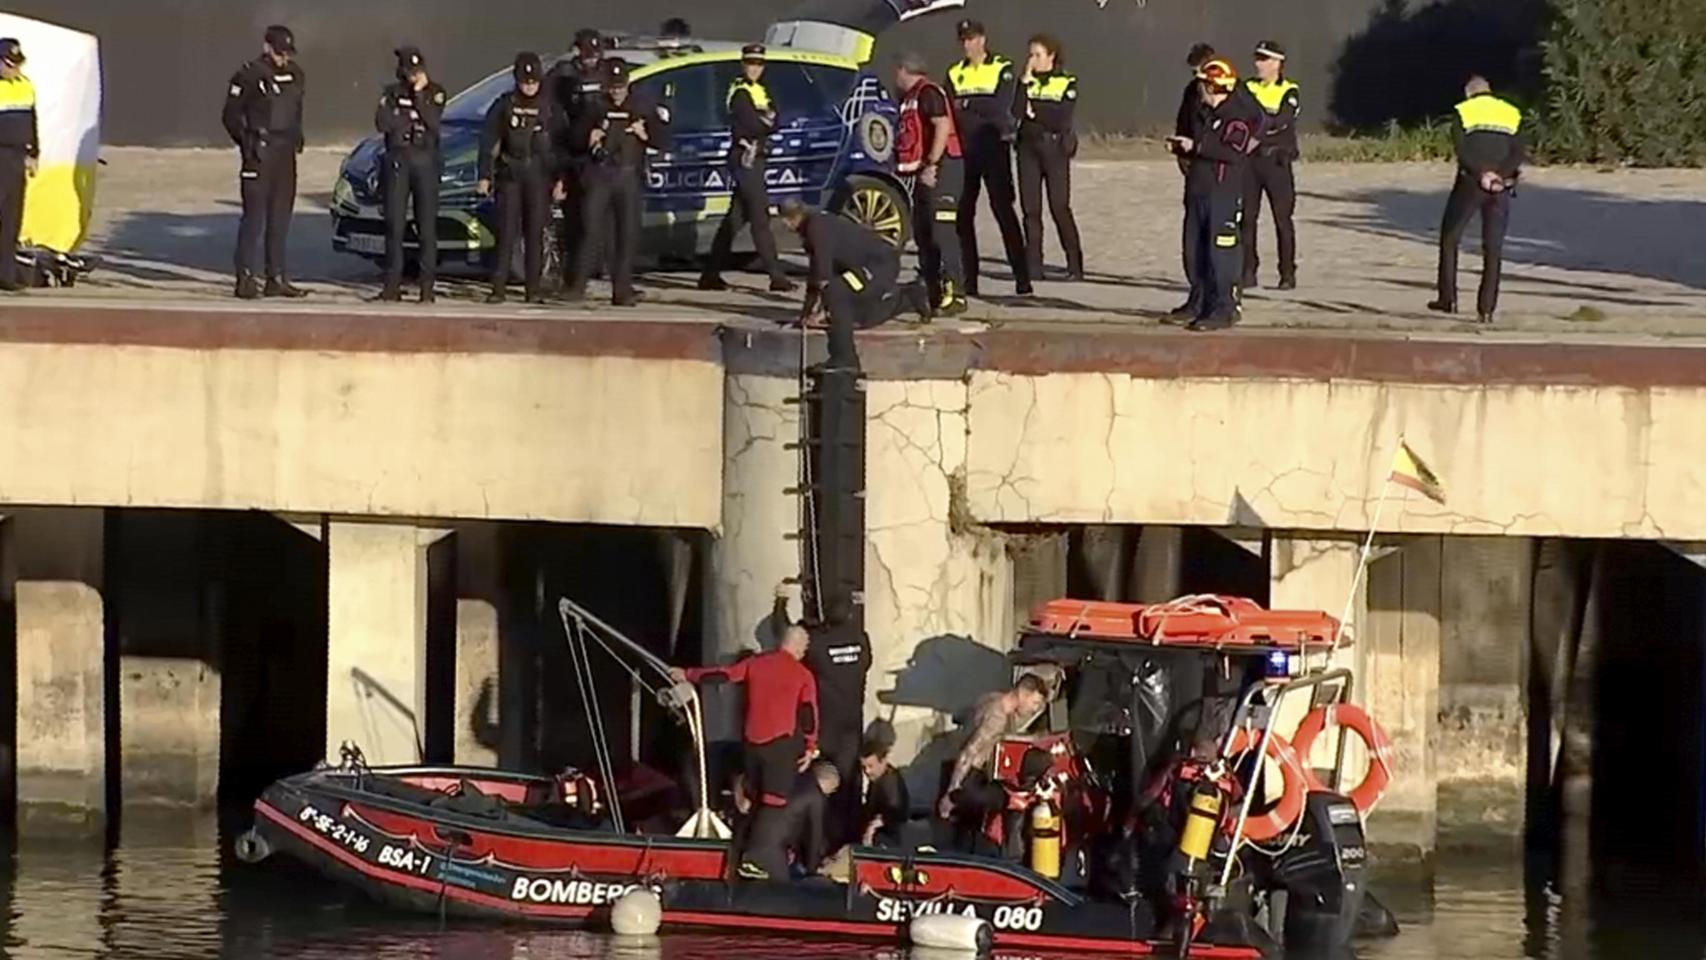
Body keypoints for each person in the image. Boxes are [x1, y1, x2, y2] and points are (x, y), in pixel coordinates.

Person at [670, 625, 820, 811]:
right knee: (774, 805)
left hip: (752, 745)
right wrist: (810, 747)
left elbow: (724, 674)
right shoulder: (803, 675)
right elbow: (808, 714)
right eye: (804, 649)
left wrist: (688, 674)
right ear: (798, 647)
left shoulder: (755, 663)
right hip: (779, 747)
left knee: (752, 801)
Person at [564, 58, 670, 306]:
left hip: (628, 175)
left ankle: (622, 290)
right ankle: (576, 286)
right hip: (601, 174)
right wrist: (589, 137)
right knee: (591, 230)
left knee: (627, 234)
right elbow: (574, 138)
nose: (617, 91)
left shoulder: (641, 106)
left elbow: (663, 139)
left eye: (620, 86)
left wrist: (645, 134)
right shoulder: (595, 107)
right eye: (612, 86)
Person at [1166, 57, 1259, 331]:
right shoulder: (1205, 115)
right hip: (1199, 192)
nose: (1200, 91)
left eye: (1204, 85)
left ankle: (1224, 308)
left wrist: (1197, 146)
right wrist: (1186, 149)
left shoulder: (1236, 117)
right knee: (1195, 250)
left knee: (1222, 253)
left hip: (1223, 196)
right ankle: (1200, 302)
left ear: (1213, 86)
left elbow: (1232, 152)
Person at [699, 45, 794, 294]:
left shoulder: (761, 90)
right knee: (760, 218)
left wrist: (767, 121)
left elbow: (777, 120)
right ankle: (776, 276)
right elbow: (755, 124)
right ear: (743, 65)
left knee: (735, 218)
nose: (754, 68)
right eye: (750, 63)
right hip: (745, 158)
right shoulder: (740, 91)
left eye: (759, 64)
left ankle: (710, 273)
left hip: (757, 157)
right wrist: (766, 120)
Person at [946, 20, 1030, 298]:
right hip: (965, 151)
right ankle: (970, 281)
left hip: (993, 148)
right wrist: (973, 108)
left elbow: (1000, 107)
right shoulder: (955, 72)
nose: (967, 45)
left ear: (982, 39)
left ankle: (1022, 278)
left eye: (971, 39)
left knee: (1003, 211)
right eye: (963, 40)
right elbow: (950, 109)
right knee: (963, 215)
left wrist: (968, 104)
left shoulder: (1002, 68)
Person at [1430, 75, 1524, 324]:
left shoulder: (1463, 111)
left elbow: (1462, 151)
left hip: (1471, 183)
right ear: (1489, 91)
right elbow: (1518, 152)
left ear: (1469, 93)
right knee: (1493, 248)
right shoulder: (1511, 112)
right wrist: (1499, 176)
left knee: (1450, 237)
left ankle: (1447, 299)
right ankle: (1487, 309)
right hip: (1501, 186)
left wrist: (1481, 174)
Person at [223, 25, 307, 300]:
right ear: (267, 47)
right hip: (259, 151)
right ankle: (245, 277)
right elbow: (231, 115)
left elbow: (296, 110)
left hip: (284, 153)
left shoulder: (295, 75)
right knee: (254, 217)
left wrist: (297, 135)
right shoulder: (249, 74)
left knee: (280, 218)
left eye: (287, 53)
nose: (284, 59)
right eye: (279, 53)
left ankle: (277, 277)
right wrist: (247, 143)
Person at [780, 199, 902, 371]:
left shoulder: (817, 229)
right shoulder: (813, 228)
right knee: (860, 316)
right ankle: (909, 298)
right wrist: (806, 313)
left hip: (878, 267)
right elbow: (815, 275)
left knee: (836, 292)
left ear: (789, 219)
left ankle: (845, 357)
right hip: (861, 270)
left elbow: (823, 275)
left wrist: (819, 311)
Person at [479, 52, 560, 304]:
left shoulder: (549, 108)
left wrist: (560, 179)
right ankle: (499, 287)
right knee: (506, 232)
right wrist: (484, 175)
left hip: (537, 176)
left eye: (533, 81)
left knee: (534, 233)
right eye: (525, 81)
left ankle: (533, 289)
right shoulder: (504, 105)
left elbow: (561, 146)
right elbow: (488, 141)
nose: (529, 86)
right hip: (510, 174)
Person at [894, 53, 966, 318]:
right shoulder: (907, 98)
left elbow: (942, 126)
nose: (895, 78)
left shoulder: (929, 92)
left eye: (896, 71)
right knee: (923, 233)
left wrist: (933, 163)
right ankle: (933, 290)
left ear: (904, 70)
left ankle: (956, 293)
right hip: (921, 173)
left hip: (944, 169)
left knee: (942, 231)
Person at [375, 46, 446, 303]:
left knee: (426, 225)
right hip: (398, 160)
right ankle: (392, 285)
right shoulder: (392, 93)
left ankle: (427, 287)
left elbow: (434, 123)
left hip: (425, 161)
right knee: (394, 224)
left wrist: (418, 99)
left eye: (417, 71)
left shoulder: (435, 93)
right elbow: (383, 123)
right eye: (409, 72)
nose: (413, 77)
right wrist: (403, 117)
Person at [1017, 33, 1083, 283]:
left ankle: (1074, 264)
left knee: (1059, 206)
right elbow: (1015, 110)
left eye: (1037, 55)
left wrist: (1035, 112)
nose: (1032, 59)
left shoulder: (1066, 81)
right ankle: (1034, 265)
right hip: (1028, 148)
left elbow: (1061, 116)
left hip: (1054, 149)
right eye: (1030, 54)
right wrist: (1024, 84)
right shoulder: (1027, 81)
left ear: (1051, 56)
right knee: (1030, 210)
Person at [937, 673, 1050, 820]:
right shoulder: (997, 717)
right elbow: (968, 752)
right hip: (965, 776)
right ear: (1023, 694)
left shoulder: (992, 698)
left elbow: (994, 735)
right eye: (1034, 702)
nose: (1034, 709)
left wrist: (1031, 738)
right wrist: (952, 794)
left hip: (955, 767)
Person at [547, 29, 606, 283]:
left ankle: (595, 269)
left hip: (598, 158)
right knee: (573, 221)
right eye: (587, 54)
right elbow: (551, 113)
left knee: (596, 219)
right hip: (569, 152)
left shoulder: (606, 73)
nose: (591, 60)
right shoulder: (563, 75)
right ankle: (571, 275)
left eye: (595, 54)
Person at [1241, 41, 1300, 290]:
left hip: (1276, 161)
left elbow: (1282, 120)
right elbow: (1239, 116)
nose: (1258, 64)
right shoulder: (1247, 87)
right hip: (1250, 163)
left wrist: (1257, 133)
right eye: (1257, 58)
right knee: (1247, 219)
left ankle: (1287, 273)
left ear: (1277, 63)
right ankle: (1248, 271)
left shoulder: (1289, 90)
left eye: (1264, 59)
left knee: (1282, 220)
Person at [741, 761, 842, 880]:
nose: (831, 793)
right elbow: (815, 836)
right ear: (828, 781)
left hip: (751, 838)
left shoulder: (792, 779)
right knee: (782, 893)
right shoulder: (815, 796)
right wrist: (812, 871)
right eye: (833, 789)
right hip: (772, 849)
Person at [1173, 43, 1216, 290]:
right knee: (1192, 234)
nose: (1198, 77)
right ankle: (1196, 287)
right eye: (1194, 73)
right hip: (1195, 173)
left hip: (1220, 175)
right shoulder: (1191, 91)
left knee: (1217, 234)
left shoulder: (1230, 93)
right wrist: (1181, 154)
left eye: (1202, 71)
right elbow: (1183, 123)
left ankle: (1223, 289)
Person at [0, 37, 37, 294]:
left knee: (12, 219)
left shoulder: (25, 85)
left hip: (17, 157)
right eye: (10, 64)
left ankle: (5, 274)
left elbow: (32, 122)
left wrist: (34, 153)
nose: (15, 69)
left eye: (17, 64)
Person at [860, 739, 911, 847]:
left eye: (870, 766)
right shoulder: (878, 779)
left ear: (883, 761)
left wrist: (873, 826)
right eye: (864, 767)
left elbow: (895, 812)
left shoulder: (890, 782)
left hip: (890, 838)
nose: (867, 771)